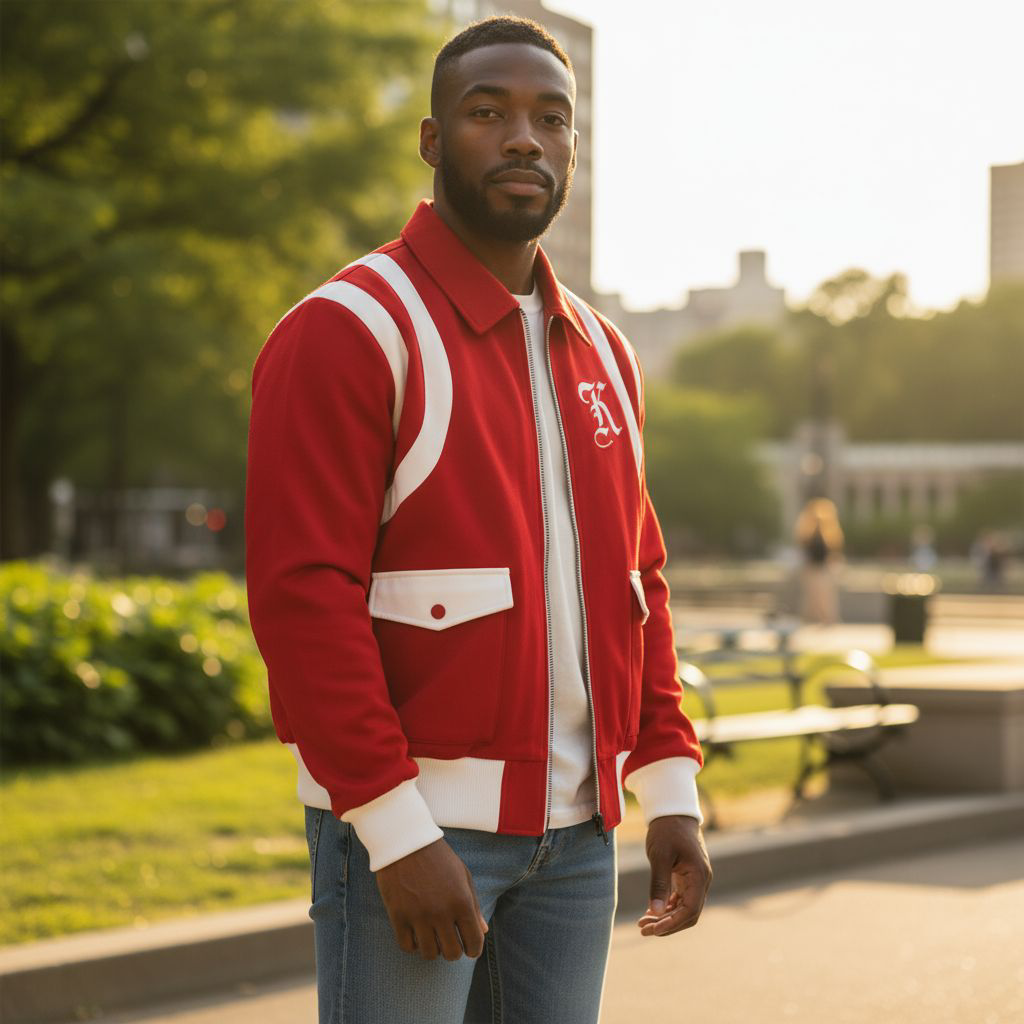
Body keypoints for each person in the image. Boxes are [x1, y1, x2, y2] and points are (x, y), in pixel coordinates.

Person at [245, 16, 711, 1024]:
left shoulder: (607, 351)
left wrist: (669, 789)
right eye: (487, 113)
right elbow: (302, 601)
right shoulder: (348, 329)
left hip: (579, 842)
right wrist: (394, 831)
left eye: (552, 119)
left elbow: (639, 583)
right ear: (431, 139)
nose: (524, 140)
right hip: (414, 837)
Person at [794, 496, 844, 625]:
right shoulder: (807, 532)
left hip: (824, 568)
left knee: (825, 596)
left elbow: (833, 551)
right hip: (812, 568)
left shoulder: (830, 533)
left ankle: (827, 619)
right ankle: (812, 618)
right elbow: (804, 549)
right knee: (812, 596)